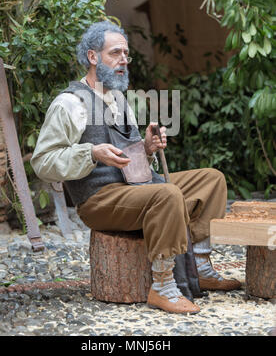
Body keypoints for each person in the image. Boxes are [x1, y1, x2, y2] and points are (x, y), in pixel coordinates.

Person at [31, 21, 241, 314]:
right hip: (100, 199)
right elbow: (43, 162)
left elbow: (128, 157)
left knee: (211, 179)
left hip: (134, 188)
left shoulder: (119, 99)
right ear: (93, 57)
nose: (124, 60)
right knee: (167, 194)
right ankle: (163, 287)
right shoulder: (69, 103)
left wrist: (146, 148)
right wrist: (91, 152)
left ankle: (201, 267)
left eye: (126, 54)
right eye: (115, 53)